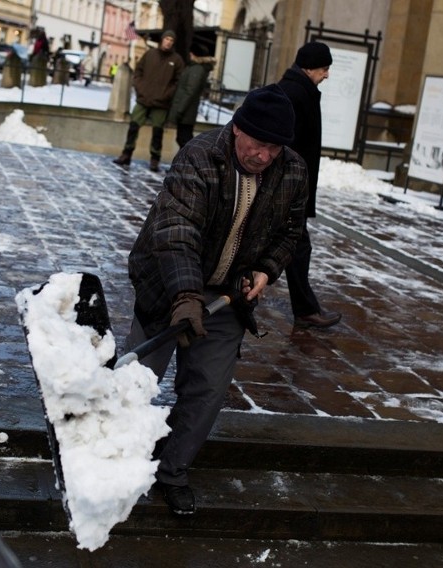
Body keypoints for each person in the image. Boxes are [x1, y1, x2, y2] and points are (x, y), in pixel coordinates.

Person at [125, 84, 307, 515]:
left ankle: (172, 471)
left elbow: (291, 231)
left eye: (274, 148)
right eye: (257, 143)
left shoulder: (293, 171)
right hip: (167, 282)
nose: (263, 155)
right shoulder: (200, 156)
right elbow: (177, 231)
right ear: (237, 128)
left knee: (207, 389)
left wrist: (265, 268)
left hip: (228, 295)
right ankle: (118, 464)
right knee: (137, 381)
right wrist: (185, 296)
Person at [278, 41, 342, 329]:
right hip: (289, 188)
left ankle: (305, 308)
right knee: (297, 247)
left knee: (293, 247)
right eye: (324, 68)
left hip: (293, 186)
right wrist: (290, 187)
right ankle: (305, 309)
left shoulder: (301, 90)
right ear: (310, 67)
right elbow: (286, 145)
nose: (326, 75)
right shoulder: (295, 93)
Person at [112, 30, 184, 172]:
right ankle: (126, 154)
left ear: (173, 43)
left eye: (171, 40)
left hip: (161, 102)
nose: (168, 42)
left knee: (157, 131)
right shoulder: (150, 54)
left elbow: (178, 82)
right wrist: (140, 88)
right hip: (143, 99)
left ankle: (154, 159)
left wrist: (167, 94)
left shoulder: (176, 60)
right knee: (133, 126)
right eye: (166, 39)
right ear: (162, 40)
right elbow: (138, 72)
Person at [167, 44, 215, 148]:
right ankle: (186, 162)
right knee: (182, 138)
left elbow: (190, 91)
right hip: (186, 110)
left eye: (191, 53)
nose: (189, 54)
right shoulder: (194, 67)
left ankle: (191, 162)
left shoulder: (196, 69)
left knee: (184, 139)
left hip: (186, 111)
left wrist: (180, 110)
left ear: (194, 54)